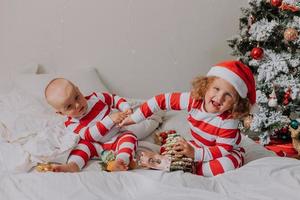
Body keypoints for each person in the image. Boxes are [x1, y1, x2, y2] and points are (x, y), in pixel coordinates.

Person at [120, 60, 256, 176]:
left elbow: (223, 149)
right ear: (206, 86)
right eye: (216, 89)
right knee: (177, 148)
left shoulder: (229, 120)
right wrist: (134, 118)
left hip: (222, 151)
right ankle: (170, 162)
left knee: (226, 165)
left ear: (235, 103)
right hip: (198, 145)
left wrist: (195, 154)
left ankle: (185, 167)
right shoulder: (193, 100)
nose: (219, 98)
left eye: (228, 95)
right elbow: (160, 100)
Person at [44, 78, 138, 172]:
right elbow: (90, 135)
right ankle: (73, 165)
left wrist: (126, 108)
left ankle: (121, 161)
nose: (77, 105)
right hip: (95, 146)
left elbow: (114, 99)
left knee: (130, 137)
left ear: (78, 90)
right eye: (69, 106)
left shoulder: (96, 97)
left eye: (77, 97)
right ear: (61, 113)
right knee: (81, 147)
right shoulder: (71, 123)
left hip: (117, 135)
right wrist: (109, 120)